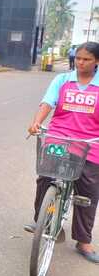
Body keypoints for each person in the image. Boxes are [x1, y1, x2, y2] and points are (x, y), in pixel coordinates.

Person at [26, 41, 99, 263]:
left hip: (90, 143)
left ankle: (83, 240)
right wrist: (37, 122)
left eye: (86, 59)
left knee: (88, 191)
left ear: (96, 61)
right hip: (59, 138)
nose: (80, 62)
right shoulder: (62, 80)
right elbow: (47, 103)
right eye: (78, 58)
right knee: (45, 177)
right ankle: (42, 220)